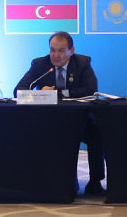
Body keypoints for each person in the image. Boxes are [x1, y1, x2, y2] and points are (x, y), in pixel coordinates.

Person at [15, 31, 106, 194]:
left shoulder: (83, 63)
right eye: (52, 50)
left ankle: (95, 181)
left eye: (61, 51)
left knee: (96, 133)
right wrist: (39, 93)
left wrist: (58, 93)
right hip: (48, 120)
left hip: (79, 119)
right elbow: (18, 91)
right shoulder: (39, 64)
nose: (56, 55)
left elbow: (91, 89)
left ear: (72, 51)